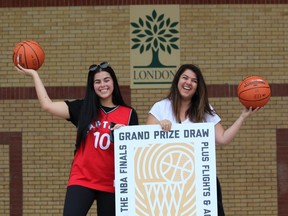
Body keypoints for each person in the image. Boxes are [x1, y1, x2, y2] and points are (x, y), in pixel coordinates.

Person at [15, 62, 139, 216]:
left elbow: (136, 153)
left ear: (113, 82)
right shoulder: (83, 108)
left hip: (113, 184)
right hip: (82, 179)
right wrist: (34, 75)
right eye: (97, 81)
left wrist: (125, 135)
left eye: (106, 80)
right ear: (92, 86)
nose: (103, 85)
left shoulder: (128, 114)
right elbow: (47, 105)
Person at [146, 64, 259, 216]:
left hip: (203, 180)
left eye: (194, 81)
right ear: (177, 80)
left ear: (197, 86)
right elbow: (146, 141)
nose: (188, 83)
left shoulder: (205, 110)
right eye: (185, 78)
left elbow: (223, 138)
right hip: (171, 182)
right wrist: (159, 126)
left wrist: (242, 117)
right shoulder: (160, 107)